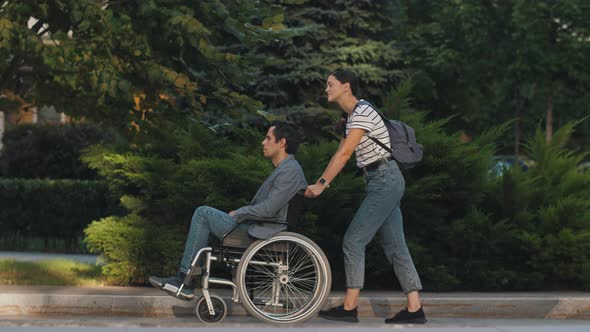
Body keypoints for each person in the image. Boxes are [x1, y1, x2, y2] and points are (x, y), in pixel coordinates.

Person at [305, 69, 426, 324]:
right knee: (396, 246)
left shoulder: (362, 112)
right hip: (381, 180)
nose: (326, 89)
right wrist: (318, 182)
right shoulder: (351, 116)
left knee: (353, 240)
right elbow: (340, 151)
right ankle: (415, 308)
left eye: (330, 84)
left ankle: (350, 307)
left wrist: (322, 185)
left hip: (385, 180)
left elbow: (346, 153)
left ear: (346, 86)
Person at [149, 121, 308, 299]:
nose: (263, 142)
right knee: (205, 214)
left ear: (282, 143)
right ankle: (185, 279)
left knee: (203, 214)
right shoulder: (286, 169)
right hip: (261, 228)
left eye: (268, 138)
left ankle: (184, 280)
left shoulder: (290, 171)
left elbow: (269, 209)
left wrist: (239, 213)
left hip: (266, 233)